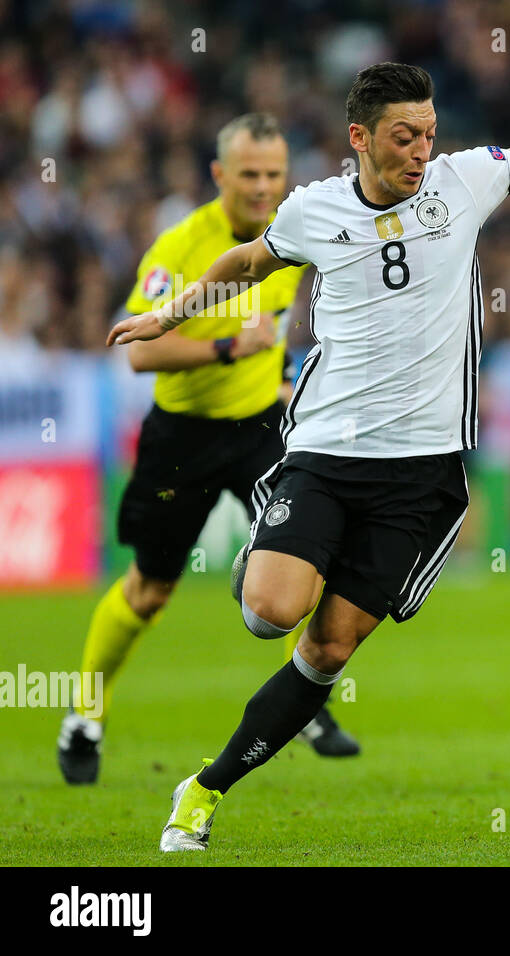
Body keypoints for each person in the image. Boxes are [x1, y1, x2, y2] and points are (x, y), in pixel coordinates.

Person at [106, 62, 510, 850]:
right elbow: (248, 261)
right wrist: (168, 316)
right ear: (360, 137)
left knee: (327, 648)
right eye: (404, 136)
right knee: (269, 614)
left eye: (429, 134)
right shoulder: (313, 210)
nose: (422, 150)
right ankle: (265, 565)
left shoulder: (464, 182)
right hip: (326, 450)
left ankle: (204, 788)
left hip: (422, 473)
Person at [59, 113, 359, 786]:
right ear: (219, 175)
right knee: (149, 591)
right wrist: (230, 347)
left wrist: (281, 378)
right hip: (181, 441)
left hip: (260, 430)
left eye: (273, 175)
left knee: (306, 557)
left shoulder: (292, 231)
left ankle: (305, 703)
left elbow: (278, 330)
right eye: (248, 175)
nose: (262, 188)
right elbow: (141, 354)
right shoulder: (182, 248)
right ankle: (83, 712)